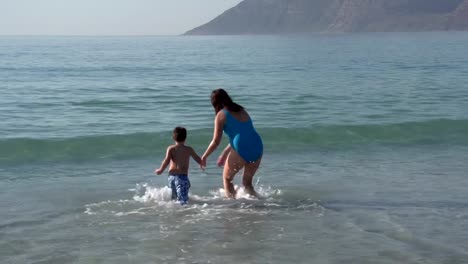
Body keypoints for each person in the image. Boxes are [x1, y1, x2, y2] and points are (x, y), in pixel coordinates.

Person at [201, 89, 263, 198]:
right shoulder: (241, 110)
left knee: (227, 179)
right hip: (257, 145)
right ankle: (260, 203)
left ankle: (232, 207)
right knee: (247, 183)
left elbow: (216, 141)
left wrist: (205, 156)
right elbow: (242, 135)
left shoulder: (221, 115)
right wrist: (224, 154)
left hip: (242, 148)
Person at [155, 127, 203, 205]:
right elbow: (197, 158)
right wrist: (202, 163)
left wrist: (160, 170)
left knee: (174, 198)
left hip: (171, 177)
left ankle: (175, 214)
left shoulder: (171, 148)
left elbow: (166, 161)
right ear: (185, 137)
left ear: (173, 137)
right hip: (182, 177)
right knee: (183, 201)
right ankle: (183, 214)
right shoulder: (188, 149)